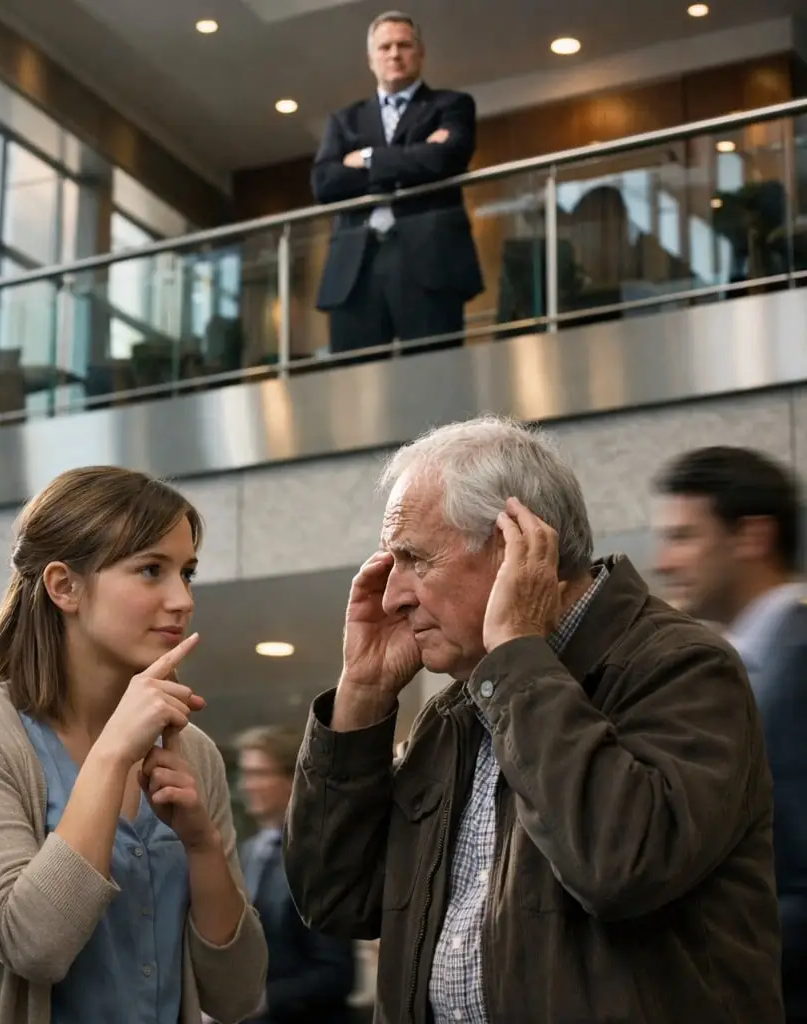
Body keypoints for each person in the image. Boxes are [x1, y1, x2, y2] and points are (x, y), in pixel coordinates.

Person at [283, 415, 784, 1024]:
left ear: (512, 547)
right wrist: (361, 695)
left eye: (414, 559)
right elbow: (336, 900)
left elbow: (618, 867)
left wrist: (518, 655)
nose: (394, 596)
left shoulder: (683, 666)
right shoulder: (456, 711)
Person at [0, 466, 267, 1024]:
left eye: (187, 573)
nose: (181, 599)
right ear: (64, 587)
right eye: (151, 570)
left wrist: (202, 845)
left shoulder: (192, 751)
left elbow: (238, 995)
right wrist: (111, 755)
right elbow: (34, 946)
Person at [655, 445, 807, 1023]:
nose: (665, 562)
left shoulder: (797, 665)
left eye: (684, 537)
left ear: (752, 537)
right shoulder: (741, 666)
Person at [311, 11, 483, 356]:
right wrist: (413, 158)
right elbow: (325, 183)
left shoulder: (451, 105)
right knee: (355, 382)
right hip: (355, 266)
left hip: (430, 260)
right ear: (370, 59)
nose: (394, 54)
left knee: (435, 375)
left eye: (403, 45)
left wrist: (368, 159)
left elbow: (443, 160)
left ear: (420, 53)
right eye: (384, 47)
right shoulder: (344, 120)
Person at [235, 726, 356, 1024]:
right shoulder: (248, 851)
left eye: (258, 774)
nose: (246, 785)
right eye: (245, 774)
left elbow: (337, 973)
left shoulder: (321, 856)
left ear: (293, 780)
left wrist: (262, 1001)